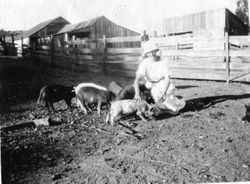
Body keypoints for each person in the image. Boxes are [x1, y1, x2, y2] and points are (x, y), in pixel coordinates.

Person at [134, 41, 185, 114]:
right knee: (151, 93)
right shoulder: (144, 63)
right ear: (147, 54)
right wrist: (137, 93)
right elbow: (137, 79)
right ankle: (163, 108)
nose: (151, 54)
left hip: (163, 83)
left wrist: (164, 92)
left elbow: (167, 79)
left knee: (163, 94)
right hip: (150, 84)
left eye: (153, 52)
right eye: (149, 53)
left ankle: (171, 109)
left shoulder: (163, 61)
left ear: (156, 51)